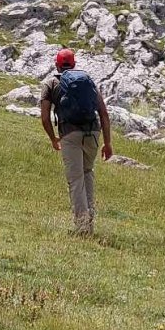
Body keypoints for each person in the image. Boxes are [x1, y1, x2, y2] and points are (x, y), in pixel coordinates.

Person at [40, 49, 113, 236]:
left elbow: (45, 117)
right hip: (93, 133)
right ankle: (89, 222)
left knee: (75, 180)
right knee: (87, 173)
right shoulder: (87, 81)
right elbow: (103, 113)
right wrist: (107, 143)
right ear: (73, 64)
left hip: (69, 135)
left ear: (56, 65)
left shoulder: (51, 83)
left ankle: (82, 228)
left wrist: (53, 138)